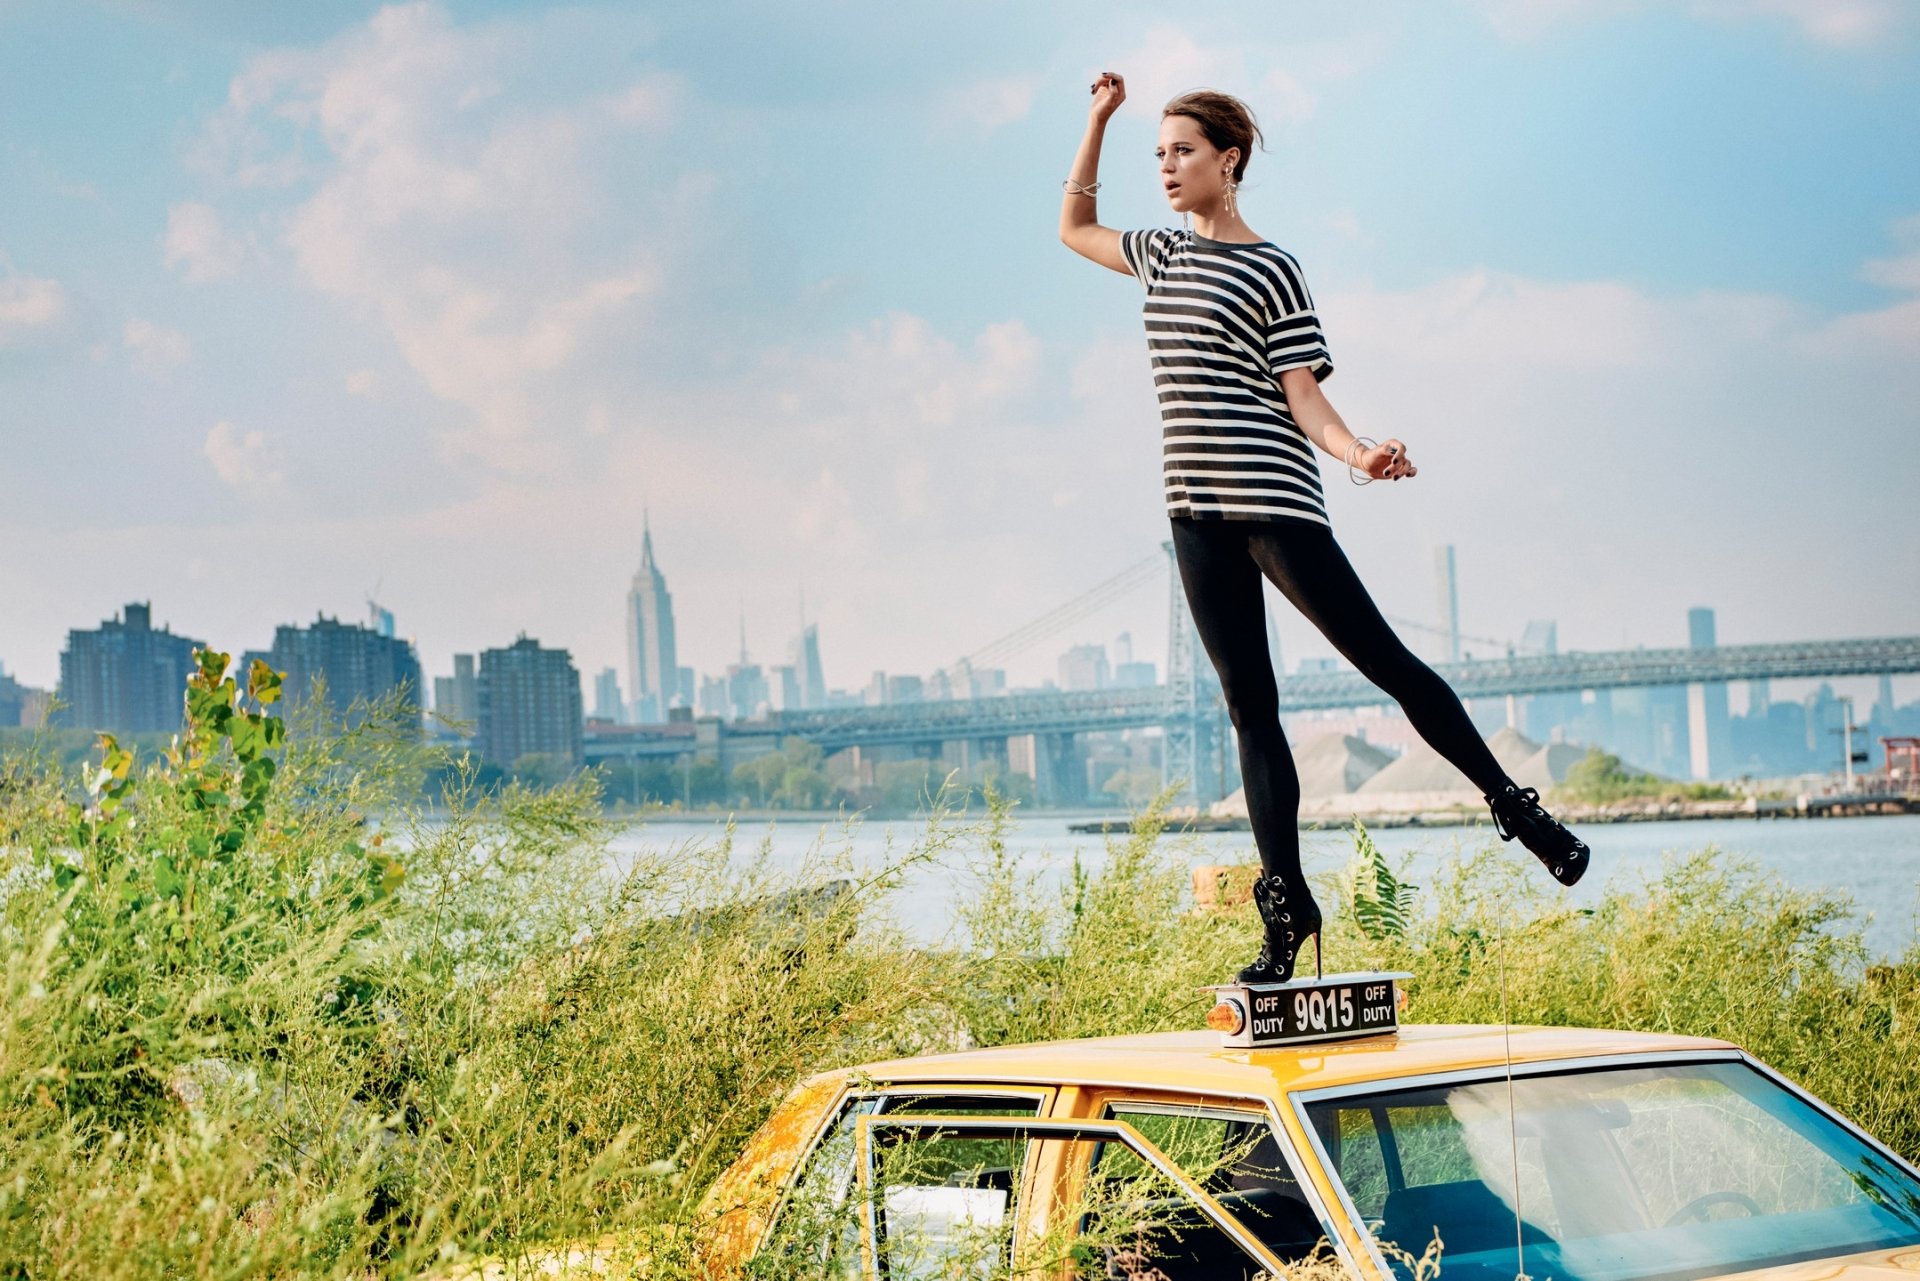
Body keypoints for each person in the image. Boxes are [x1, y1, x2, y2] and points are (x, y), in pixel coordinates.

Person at [1058, 72, 1590, 986]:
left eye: (1183, 151)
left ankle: (1516, 808)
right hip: (1193, 512)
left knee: (1389, 666)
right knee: (1248, 709)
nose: (1168, 168)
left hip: (1274, 503)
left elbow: (1305, 396)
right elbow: (1073, 228)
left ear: (1229, 162)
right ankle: (1287, 906)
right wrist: (1098, 121)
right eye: (1159, 155)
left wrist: (1358, 452)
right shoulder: (1158, 254)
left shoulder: (1273, 268)